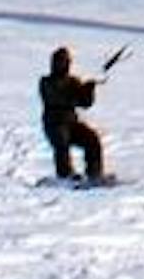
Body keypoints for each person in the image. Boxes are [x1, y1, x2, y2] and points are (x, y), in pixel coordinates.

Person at [39, 45, 107, 184]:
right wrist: (77, 94)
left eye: (66, 61)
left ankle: (94, 174)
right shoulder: (46, 82)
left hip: (71, 124)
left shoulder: (73, 81)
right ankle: (65, 175)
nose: (64, 65)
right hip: (54, 124)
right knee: (61, 141)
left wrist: (89, 89)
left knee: (92, 139)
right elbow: (57, 99)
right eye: (60, 61)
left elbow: (85, 103)